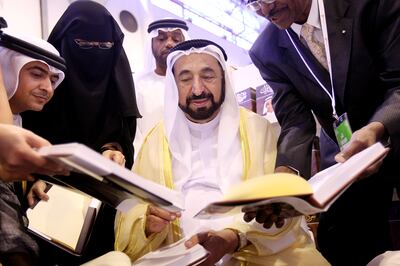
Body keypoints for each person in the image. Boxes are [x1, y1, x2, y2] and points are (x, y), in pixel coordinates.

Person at [114, 39, 329, 265]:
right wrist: (146, 224)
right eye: (185, 79)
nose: (197, 89)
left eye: (208, 76)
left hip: (250, 248)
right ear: (173, 85)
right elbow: (129, 211)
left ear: (224, 79)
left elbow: (282, 207)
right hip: (177, 255)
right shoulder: (155, 140)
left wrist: (232, 238)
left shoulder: (259, 130)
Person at [247, 0, 400, 265]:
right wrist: (285, 178)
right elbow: (295, 121)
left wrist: (378, 126)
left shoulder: (367, 5)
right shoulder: (266, 51)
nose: (264, 10)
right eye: (253, 2)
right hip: (348, 154)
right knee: (341, 241)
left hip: (393, 122)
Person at [21, 1, 141, 264]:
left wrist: (114, 150)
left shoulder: (117, 83)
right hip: (46, 198)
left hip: (101, 202)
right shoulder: (41, 88)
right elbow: (23, 142)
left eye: (103, 47)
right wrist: (34, 179)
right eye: (84, 45)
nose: (94, 53)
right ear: (63, 44)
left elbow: (123, 133)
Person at [0, 30, 66, 266]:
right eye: (37, 74)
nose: (48, 88)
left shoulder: (19, 119)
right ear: (6, 68)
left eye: (53, 80)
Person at [134, 18, 189, 153]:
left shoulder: (194, 86)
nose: (169, 44)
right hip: (148, 163)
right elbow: (135, 134)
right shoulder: (138, 84)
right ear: (151, 44)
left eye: (176, 40)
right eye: (161, 39)